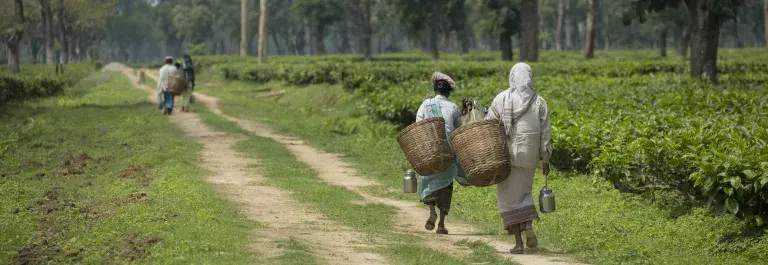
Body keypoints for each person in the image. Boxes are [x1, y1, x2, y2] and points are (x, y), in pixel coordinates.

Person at [485, 62, 552, 254]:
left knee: (508, 198)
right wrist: (545, 159)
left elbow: (488, 124)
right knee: (524, 192)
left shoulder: (503, 98)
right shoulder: (539, 101)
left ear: (513, 77)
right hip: (530, 157)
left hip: (510, 155)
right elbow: (545, 133)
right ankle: (528, 227)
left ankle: (519, 243)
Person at [415, 72, 461, 235]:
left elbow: (418, 124)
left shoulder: (426, 104)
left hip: (430, 150)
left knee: (428, 181)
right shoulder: (453, 107)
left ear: (435, 90)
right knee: (446, 185)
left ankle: (431, 211)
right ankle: (441, 224)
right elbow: (458, 129)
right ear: (449, 92)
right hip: (447, 151)